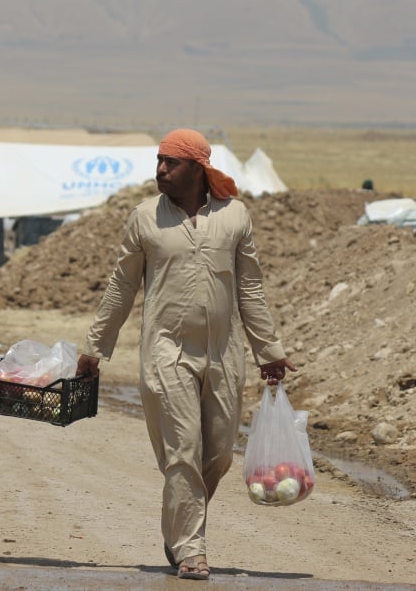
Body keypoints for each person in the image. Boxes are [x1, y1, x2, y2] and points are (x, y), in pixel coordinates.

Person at [76, 128, 296, 581]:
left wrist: (268, 350)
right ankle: (191, 548)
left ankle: (178, 526)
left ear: (198, 169)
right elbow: (121, 287)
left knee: (219, 456)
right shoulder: (144, 218)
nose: (160, 170)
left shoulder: (235, 216)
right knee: (183, 450)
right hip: (166, 352)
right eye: (158, 161)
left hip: (224, 353)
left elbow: (250, 288)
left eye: (170, 163)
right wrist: (96, 347)